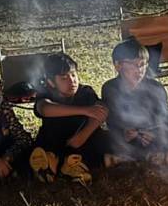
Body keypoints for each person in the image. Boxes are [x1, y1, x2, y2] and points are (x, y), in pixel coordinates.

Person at [29, 54, 110, 184]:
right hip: (56, 140)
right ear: (51, 82)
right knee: (47, 146)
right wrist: (84, 110)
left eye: (73, 75)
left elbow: (102, 110)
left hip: (81, 139)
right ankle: (51, 164)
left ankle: (64, 166)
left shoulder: (85, 92)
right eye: (64, 78)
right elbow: (44, 109)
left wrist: (83, 135)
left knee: (101, 140)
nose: (72, 81)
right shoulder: (46, 93)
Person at [100, 38, 168, 166]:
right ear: (118, 65)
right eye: (134, 64)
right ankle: (152, 157)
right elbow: (112, 119)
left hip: (152, 136)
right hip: (126, 137)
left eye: (143, 64)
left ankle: (127, 159)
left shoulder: (155, 88)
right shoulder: (110, 88)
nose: (140, 70)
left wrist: (154, 133)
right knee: (105, 139)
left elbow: (166, 117)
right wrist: (126, 132)